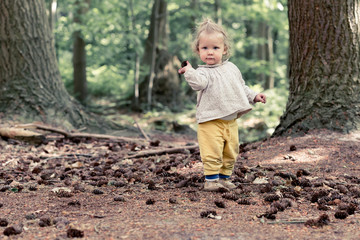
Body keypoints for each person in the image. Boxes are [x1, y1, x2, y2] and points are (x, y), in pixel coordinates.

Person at [178, 18, 266, 191]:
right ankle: (211, 181)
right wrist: (189, 71)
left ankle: (224, 178)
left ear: (224, 49)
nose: (210, 52)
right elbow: (198, 84)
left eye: (215, 48)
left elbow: (241, 87)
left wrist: (254, 96)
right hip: (210, 121)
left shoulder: (232, 68)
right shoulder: (202, 72)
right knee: (212, 151)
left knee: (231, 152)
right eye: (205, 48)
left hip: (230, 121)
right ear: (198, 50)